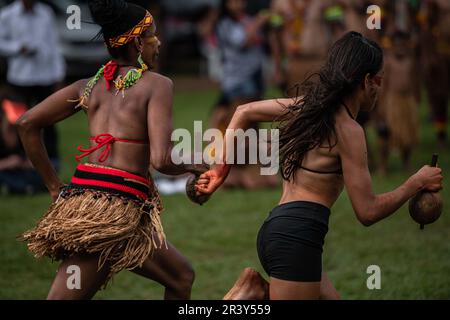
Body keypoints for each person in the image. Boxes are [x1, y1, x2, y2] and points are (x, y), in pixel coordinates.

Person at [196, 32, 443, 300]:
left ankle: (256, 291)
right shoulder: (349, 131)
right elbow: (367, 211)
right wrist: (415, 182)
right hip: (297, 237)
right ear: (366, 81)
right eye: (379, 81)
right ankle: (253, 292)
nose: (380, 89)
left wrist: (221, 169)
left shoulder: (307, 108)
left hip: (278, 229)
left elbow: (244, 112)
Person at [17, 0, 207, 300]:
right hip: (111, 214)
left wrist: (55, 188)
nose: (158, 43)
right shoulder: (156, 85)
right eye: (152, 36)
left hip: (93, 205)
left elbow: (27, 122)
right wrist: (198, 165)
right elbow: (162, 159)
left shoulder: (87, 87)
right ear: (136, 42)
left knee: (181, 276)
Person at [0, 0, 65, 170]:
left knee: (49, 118)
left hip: (44, 76)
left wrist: (58, 74)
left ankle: (51, 157)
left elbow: (54, 45)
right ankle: (22, 158)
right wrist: (17, 48)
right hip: (20, 77)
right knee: (19, 120)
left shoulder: (45, 13)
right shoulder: (8, 15)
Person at [382, 31, 420, 172]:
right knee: (389, 133)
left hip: (408, 100)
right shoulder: (388, 61)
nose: (400, 48)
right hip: (393, 100)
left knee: (408, 134)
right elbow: (384, 85)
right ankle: (383, 165)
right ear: (392, 46)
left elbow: (415, 80)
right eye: (396, 45)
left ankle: (406, 162)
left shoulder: (411, 61)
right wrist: (382, 105)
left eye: (402, 45)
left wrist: (416, 97)